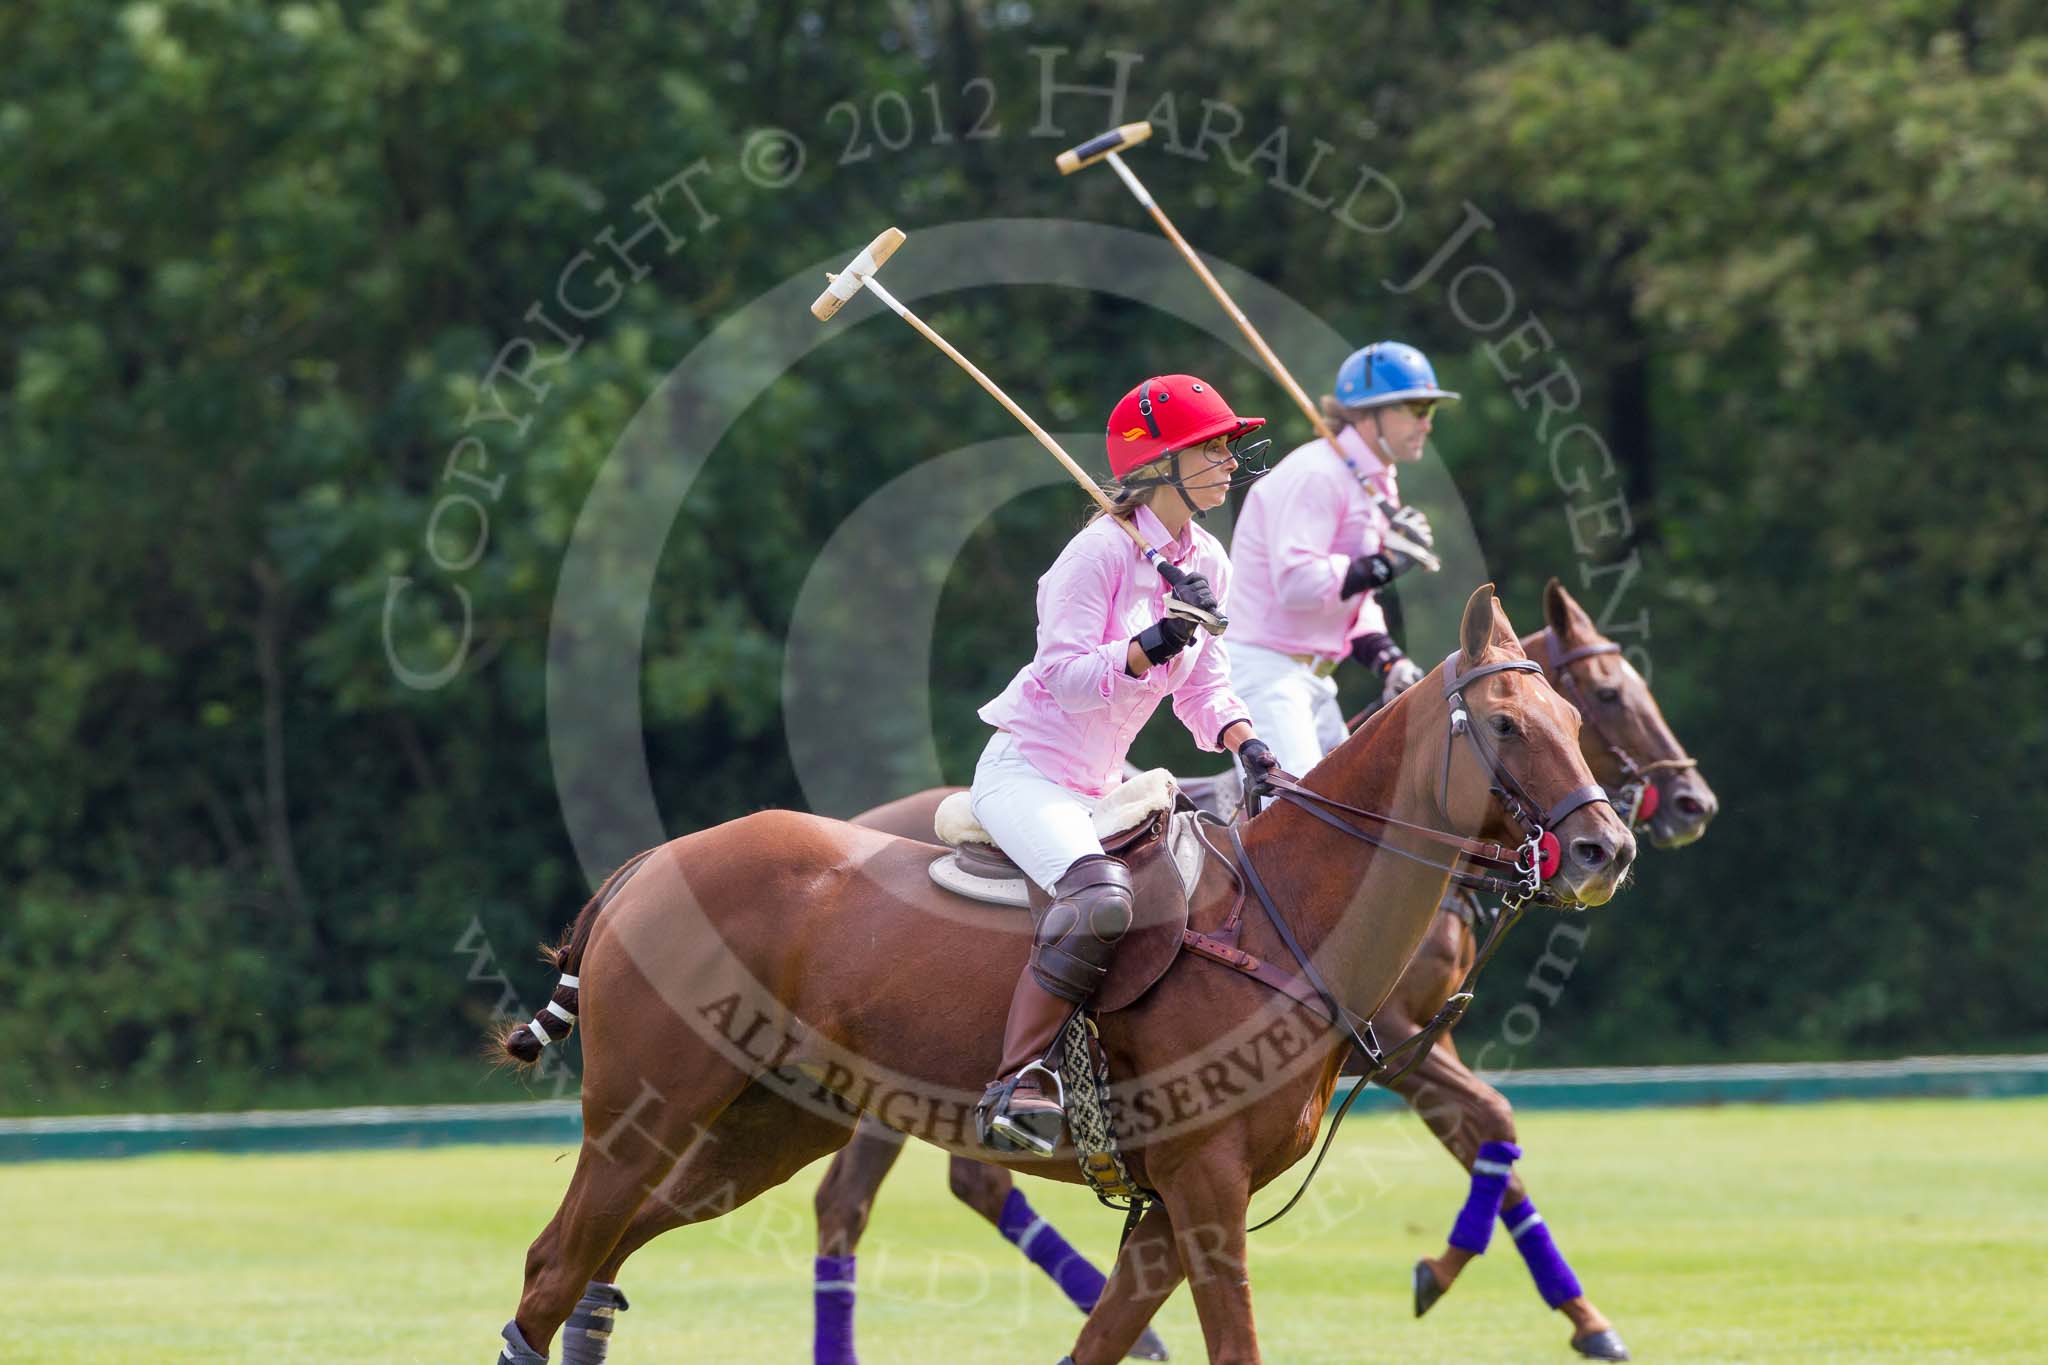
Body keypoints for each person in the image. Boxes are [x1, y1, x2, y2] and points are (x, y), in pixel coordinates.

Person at [972, 374, 1280, 1155]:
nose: (1227, 461)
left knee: (1201, 886)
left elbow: (1206, 685)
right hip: (1029, 771)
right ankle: (1017, 1079)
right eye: (1212, 448)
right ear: (1162, 463)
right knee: (1101, 897)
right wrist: (1152, 643)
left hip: (1104, 784)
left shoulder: (1205, 557)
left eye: (1227, 446)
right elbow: (1065, 677)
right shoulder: (1097, 553)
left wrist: (1248, 744)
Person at [1225, 340, 1458, 776]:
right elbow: (1297, 584)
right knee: (1304, 822)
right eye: (1415, 408)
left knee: (1364, 815)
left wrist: (1388, 660)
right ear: (1368, 414)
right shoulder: (1318, 474)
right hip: (1267, 672)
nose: (1426, 423)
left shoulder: (1374, 479)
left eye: (1431, 410)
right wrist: (1383, 564)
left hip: (1313, 678)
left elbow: (1350, 594)